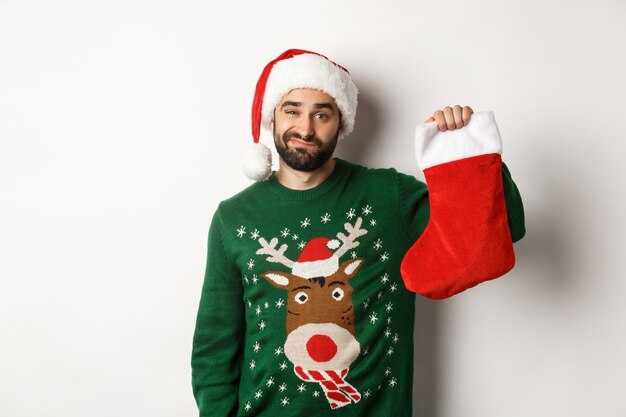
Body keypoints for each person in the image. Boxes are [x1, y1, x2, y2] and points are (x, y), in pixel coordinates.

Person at [191, 49, 525, 416]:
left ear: (342, 123)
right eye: (292, 110)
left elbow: (499, 228)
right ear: (272, 117)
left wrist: (467, 153)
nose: (305, 128)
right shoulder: (234, 217)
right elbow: (214, 350)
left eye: (322, 113)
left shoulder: (388, 196)